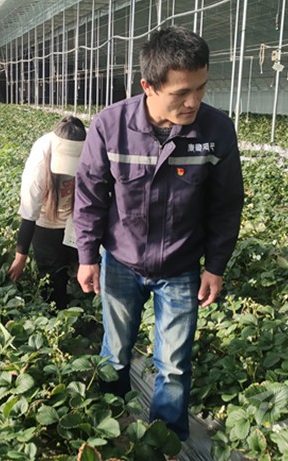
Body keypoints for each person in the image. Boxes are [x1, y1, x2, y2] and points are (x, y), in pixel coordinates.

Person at [73, 26, 244, 448]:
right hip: (121, 261)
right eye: (181, 92)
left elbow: (226, 204)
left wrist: (215, 266)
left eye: (201, 88)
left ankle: (166, 444)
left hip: (181, 266)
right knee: (115, 354)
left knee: (174, 366)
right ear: (148, 86)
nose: (193, 102)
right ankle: (110, 432)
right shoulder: (111, 126)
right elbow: (90, 194)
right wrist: (87, 255)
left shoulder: (216, 130)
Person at [7, 116, 86, 310]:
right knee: (53, 278)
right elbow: (29, 215)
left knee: (82, 270)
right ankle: (56, 313)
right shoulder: (40, 160)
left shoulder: (90, 142)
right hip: (46, 221)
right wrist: (20, 258)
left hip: (75, 216)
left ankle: (82, 312)